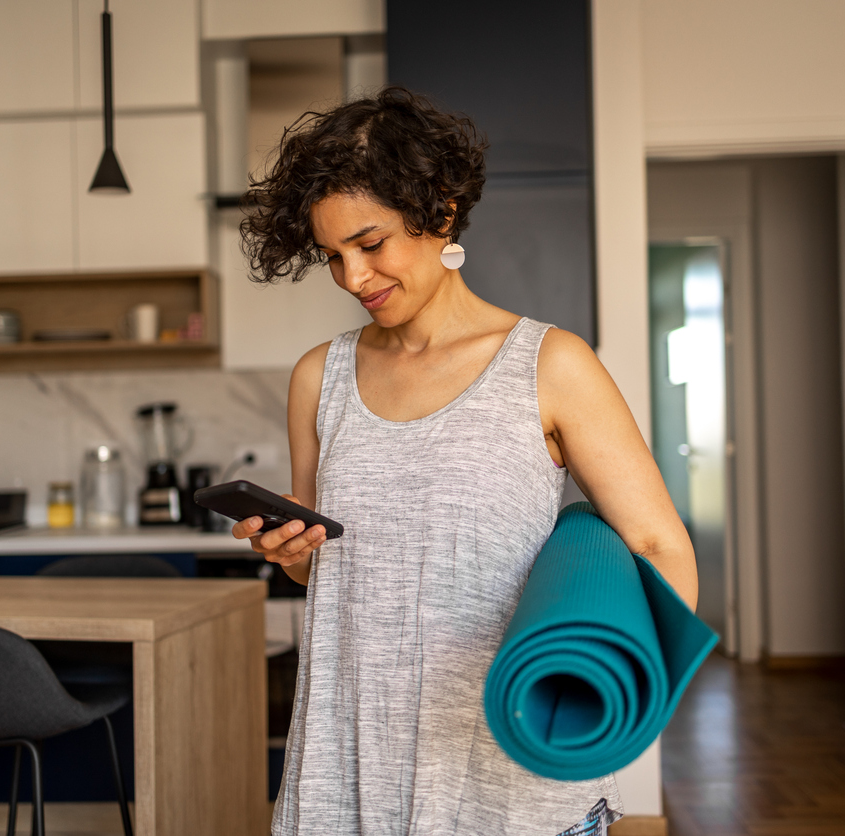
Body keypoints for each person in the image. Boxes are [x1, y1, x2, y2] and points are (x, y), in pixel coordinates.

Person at [233, 87, 697, 836]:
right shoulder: (320, 378)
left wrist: (616, 700)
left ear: (440, 214)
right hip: (352, 766)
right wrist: (288, 554)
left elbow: (656, 546)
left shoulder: (549, 365)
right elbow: (322, 567)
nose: (353, 278)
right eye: (332, 257)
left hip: (508, 768)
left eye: (371, 243)